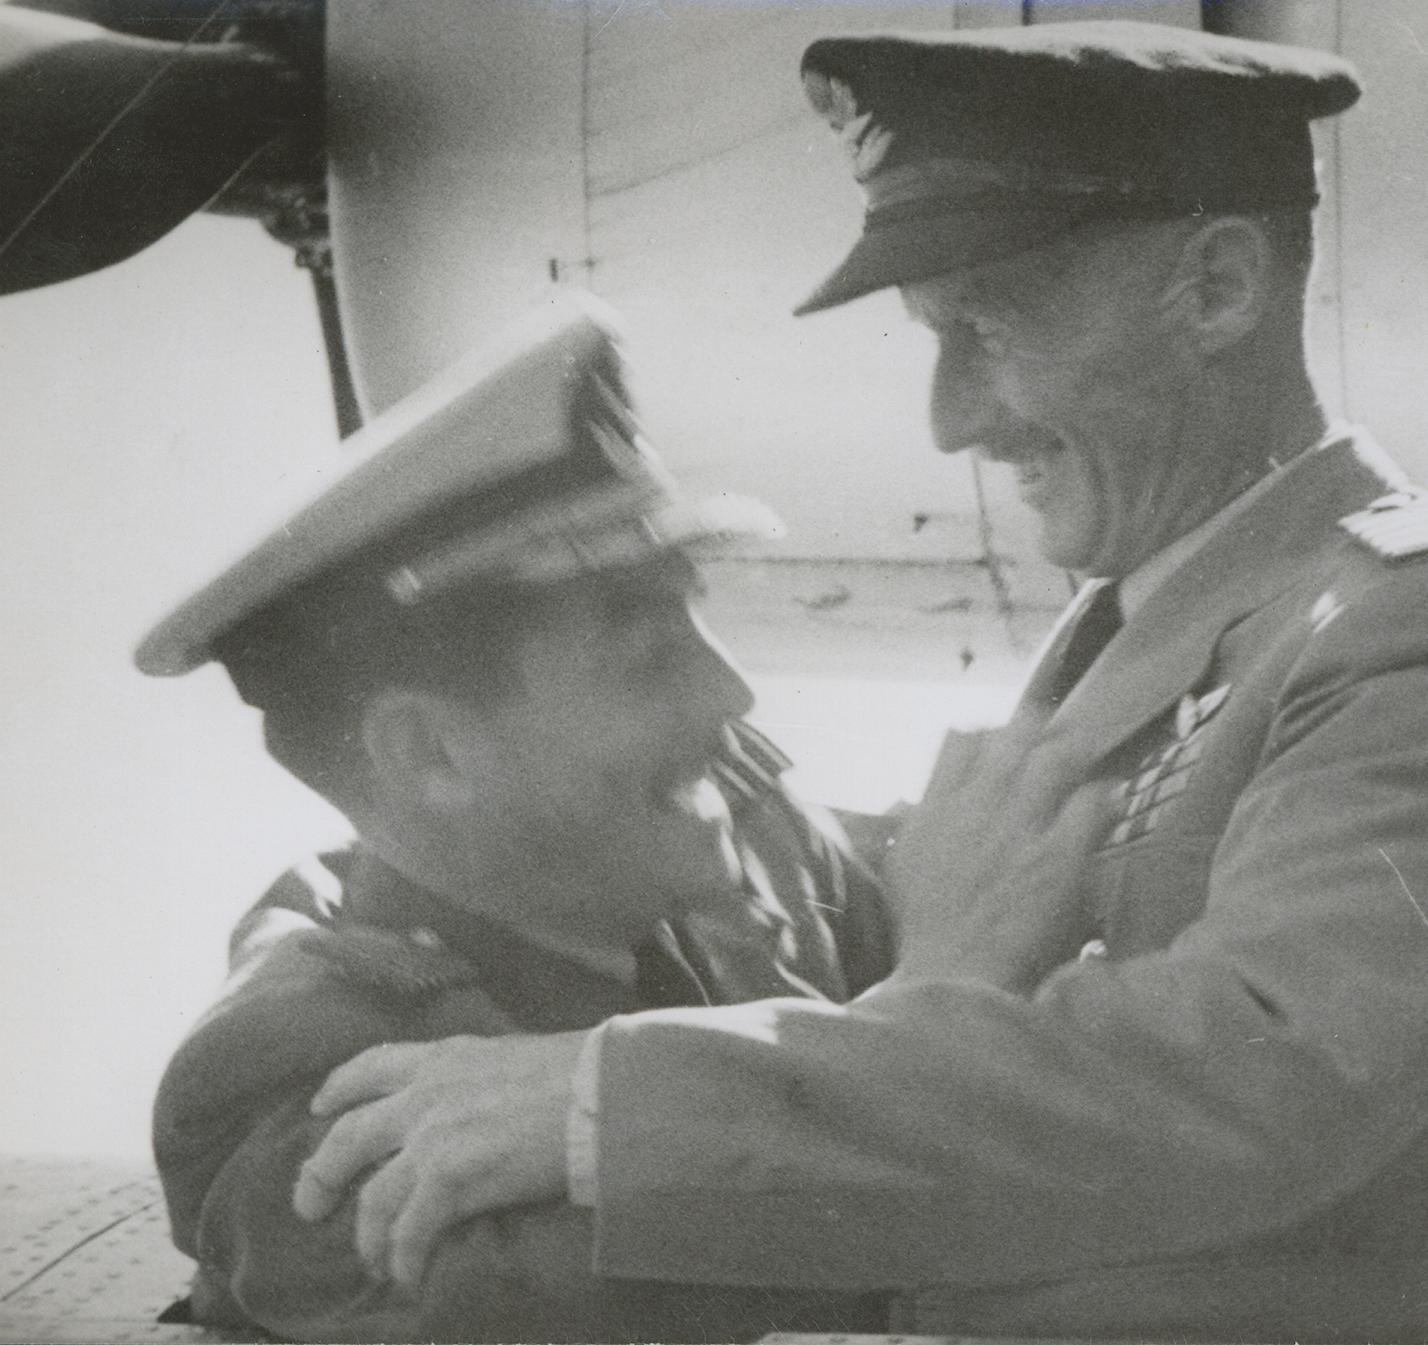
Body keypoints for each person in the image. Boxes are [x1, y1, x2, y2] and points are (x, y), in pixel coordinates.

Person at [292, 20, 1428, 1343]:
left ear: (1216, 290)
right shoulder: (1162, 619)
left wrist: (610, 1105)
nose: (951, 421)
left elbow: (1256, 1068)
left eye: (987, 330)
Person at [139, 293, 894, 1342]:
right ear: (432, 754)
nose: (734, 699)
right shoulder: (296, 1075)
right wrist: (961, 987)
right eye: (647, 656)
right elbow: (592, 1303)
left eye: (699, 626)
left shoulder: (743, 847)